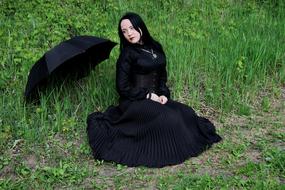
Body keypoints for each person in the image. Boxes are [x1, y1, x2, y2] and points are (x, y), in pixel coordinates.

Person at [87, 12, 222, 168]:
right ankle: (168, 149)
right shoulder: (127, 54)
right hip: (133, 101)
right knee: (169, 118)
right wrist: (148, 95)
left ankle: (184, 141)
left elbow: (162, 77)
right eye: (124, 31)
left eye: (131, 28)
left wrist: (164, 94)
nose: (129, 33)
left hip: (156, 97)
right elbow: (122, 87)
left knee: (186, 113)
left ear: (140, 26)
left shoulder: (155, 47)